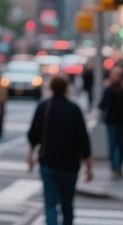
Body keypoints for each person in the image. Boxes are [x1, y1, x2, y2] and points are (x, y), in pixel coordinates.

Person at [27, 74, 92, 225]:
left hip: (48, 162)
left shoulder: (44, 106)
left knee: (50, 204)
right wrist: (89, 166)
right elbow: (83, 140)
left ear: (50, 87)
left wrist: (30, 154)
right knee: (67, 204)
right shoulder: (74, 109)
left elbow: (33, 134)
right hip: (70, 165)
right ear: (67, 88)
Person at [99, 66, 123, 179]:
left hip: (115, 121)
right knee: (119, 145)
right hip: (120, 121)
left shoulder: (109, 90)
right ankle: (117, 166)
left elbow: (101, 106)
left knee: (115, 145)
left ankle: (116, 166)